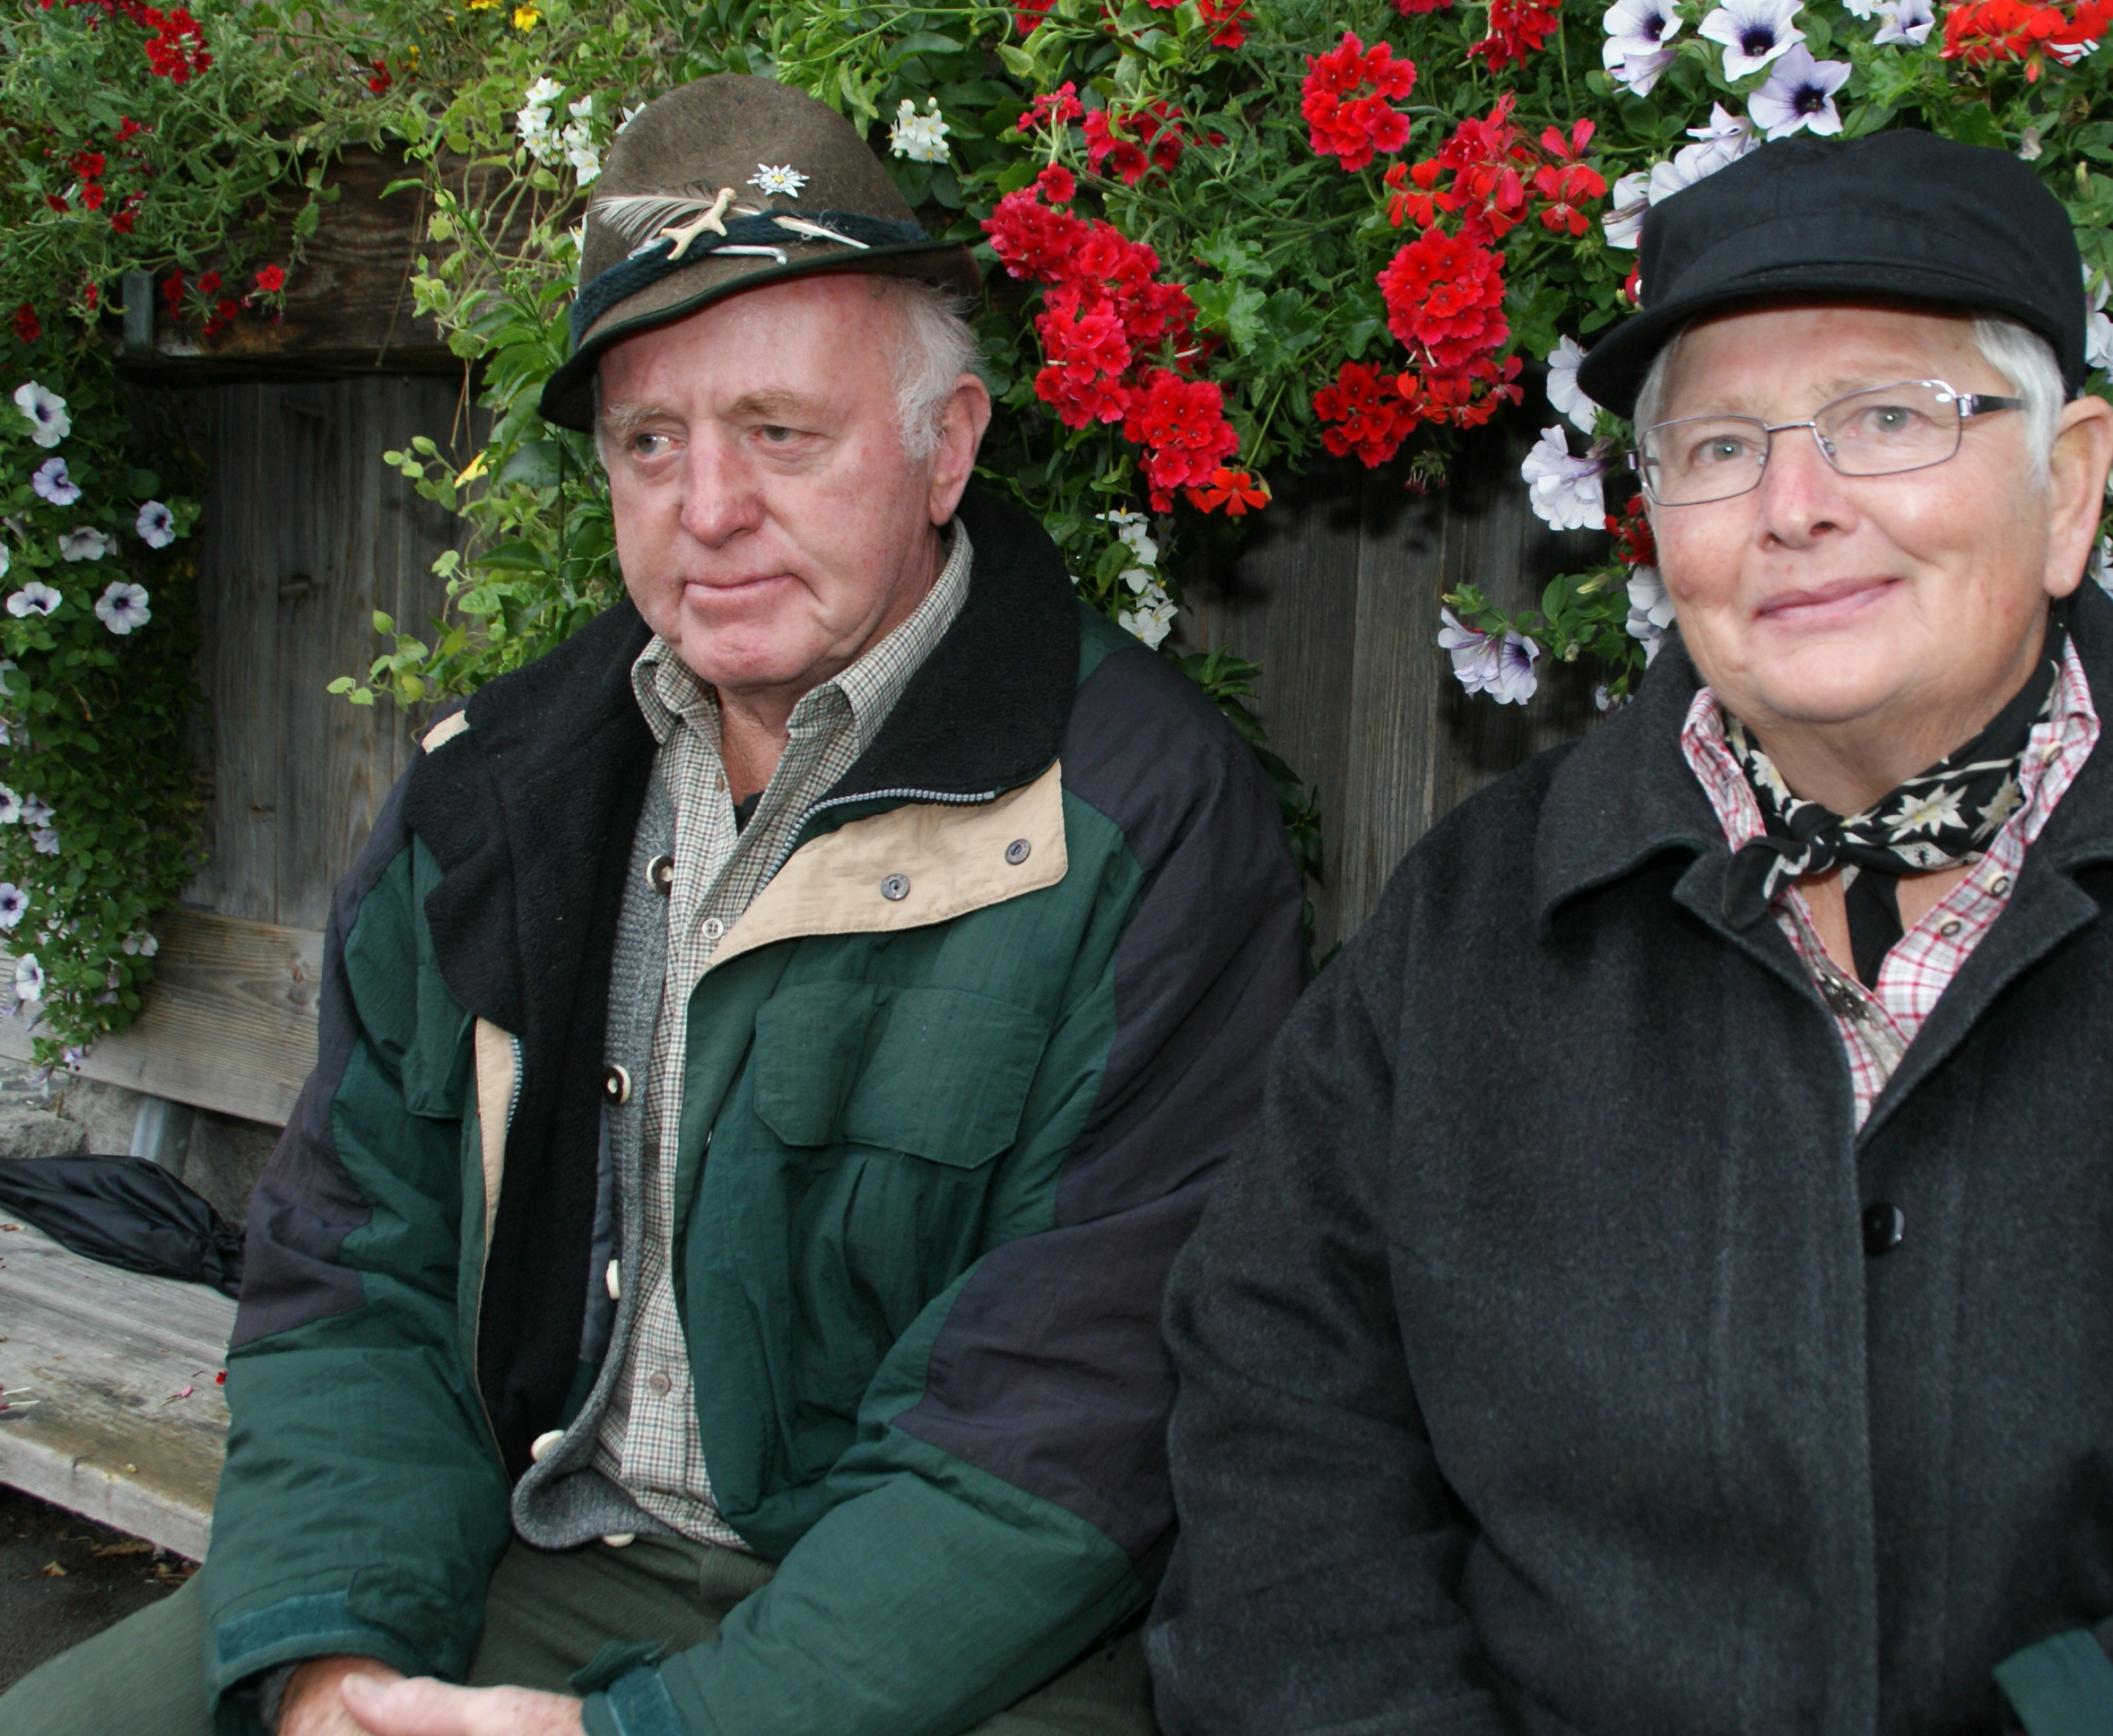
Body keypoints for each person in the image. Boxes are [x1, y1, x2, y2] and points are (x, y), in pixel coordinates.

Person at [1146, 129, 2113, 1735]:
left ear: (2069, 485)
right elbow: (1282, 1427)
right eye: (1718, 447)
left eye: (1889, 419)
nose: (1794, 507)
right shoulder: (1472, 922)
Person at [0, 74, 1305, 1736]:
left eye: (781, 432)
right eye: (649, 442)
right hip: (532, 1542)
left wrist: (644, 1734)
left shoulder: (1143, 821)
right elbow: (349, 1284)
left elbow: (1065, 1431)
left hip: (963, 1633)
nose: (709, 510)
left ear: (946, 447)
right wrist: (333, 1666)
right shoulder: (495, 792)